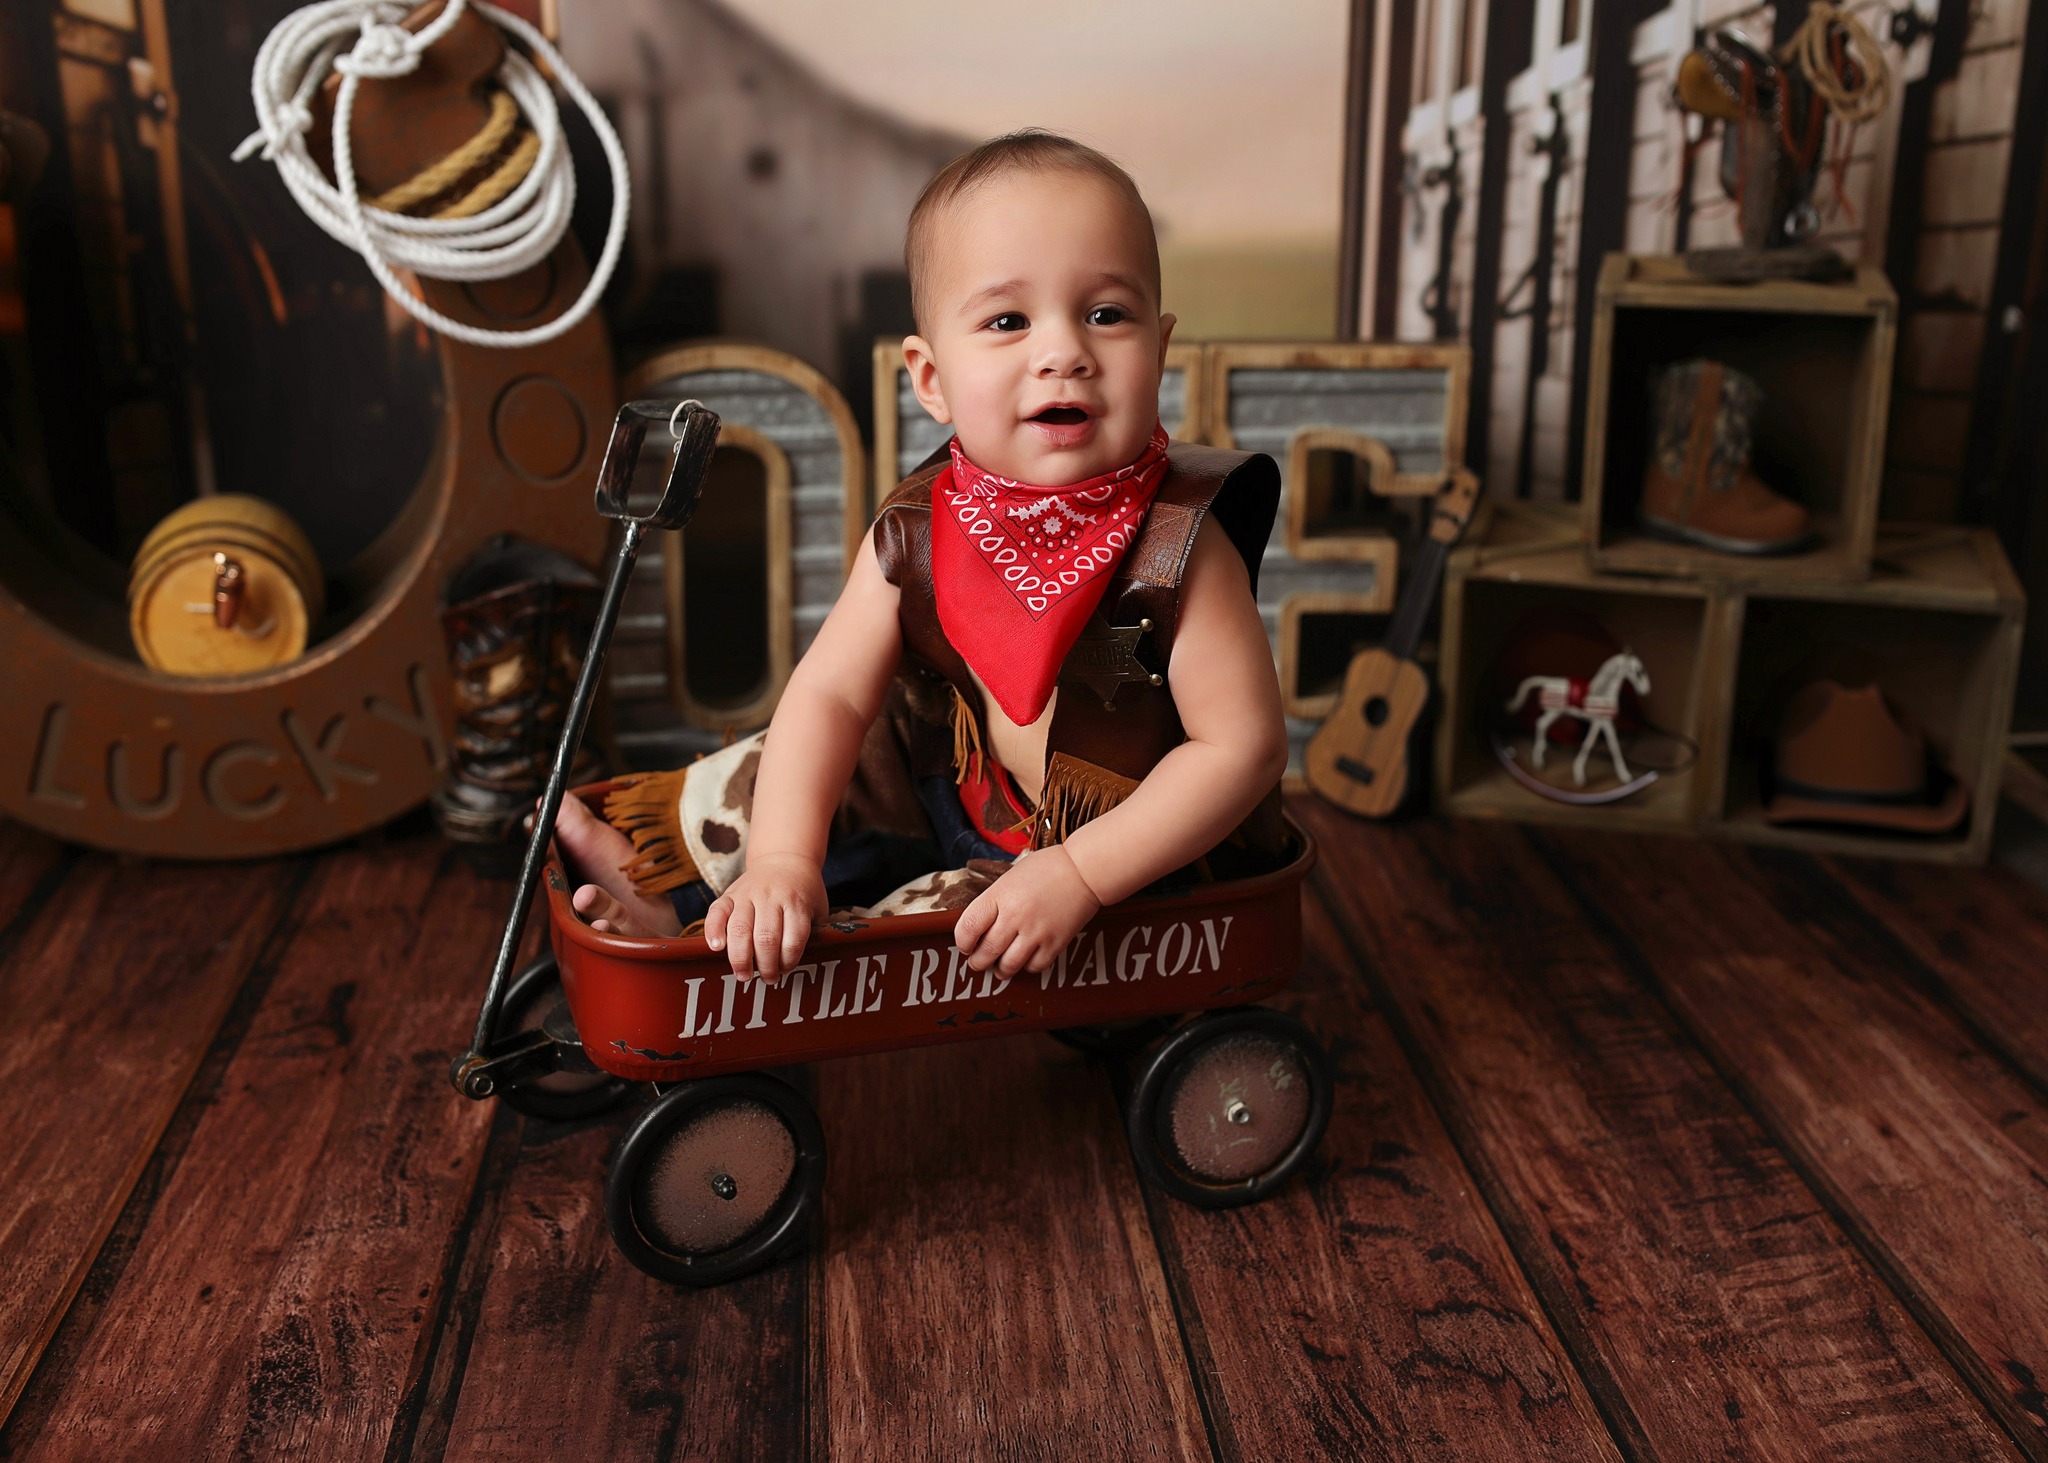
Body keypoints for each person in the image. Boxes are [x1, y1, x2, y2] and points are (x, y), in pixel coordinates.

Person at [557, 129, 1288, 984]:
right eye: (1009, 320)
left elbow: (1241, 749)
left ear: (1158, 349)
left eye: (1106, 314)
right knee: (791, 769)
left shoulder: (1179, 545)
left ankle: (707, 955)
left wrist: (1081, 873)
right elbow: (829, 690)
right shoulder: (921, 525)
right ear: (930, 376)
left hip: (1122, 859)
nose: (1064, 351)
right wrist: (785, 858)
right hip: (958, 785)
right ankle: (676, 891)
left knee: (936, 918)